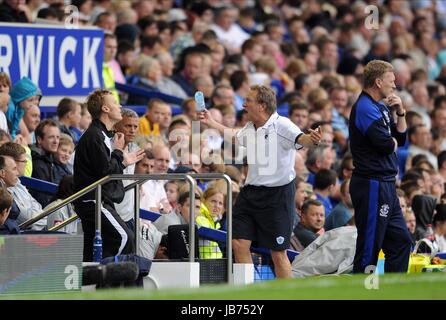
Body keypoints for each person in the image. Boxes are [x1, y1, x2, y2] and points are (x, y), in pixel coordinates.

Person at [198, 84, 321, 278]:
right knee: (238, 243)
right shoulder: (250, 127)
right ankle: (249, 293)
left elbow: (302, 139)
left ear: (262, 106)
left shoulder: (283, 125)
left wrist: (312, 140)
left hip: (278, 196)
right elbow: (234, 135)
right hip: (250, 193)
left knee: (278, 253)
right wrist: (212, 123)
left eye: (248, 100)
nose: (244, 104)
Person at [348, 60, 412, 273]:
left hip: (386, 185)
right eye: (391, 81)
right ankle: (362, 293)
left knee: (401, 242)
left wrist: (400, 112)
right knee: (370, 248)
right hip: (371, 184)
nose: (394, 86)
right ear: (377, 82)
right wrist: (391, 141)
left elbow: (400, 140)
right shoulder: (365, 108)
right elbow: (386, 145)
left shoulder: (381, 107)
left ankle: (394, 293)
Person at [73, 89, 144, 262]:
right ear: (105, 109)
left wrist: (123, 161)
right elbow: (105, 173)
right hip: (93, 200)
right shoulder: (95, 136)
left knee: (93, 249)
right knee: (124, 238)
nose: (119, 106)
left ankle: (95, 282)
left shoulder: (102, 135)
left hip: (97, 200)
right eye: (114, 103)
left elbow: (104, 169)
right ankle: (108, 280)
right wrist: (119, 154)